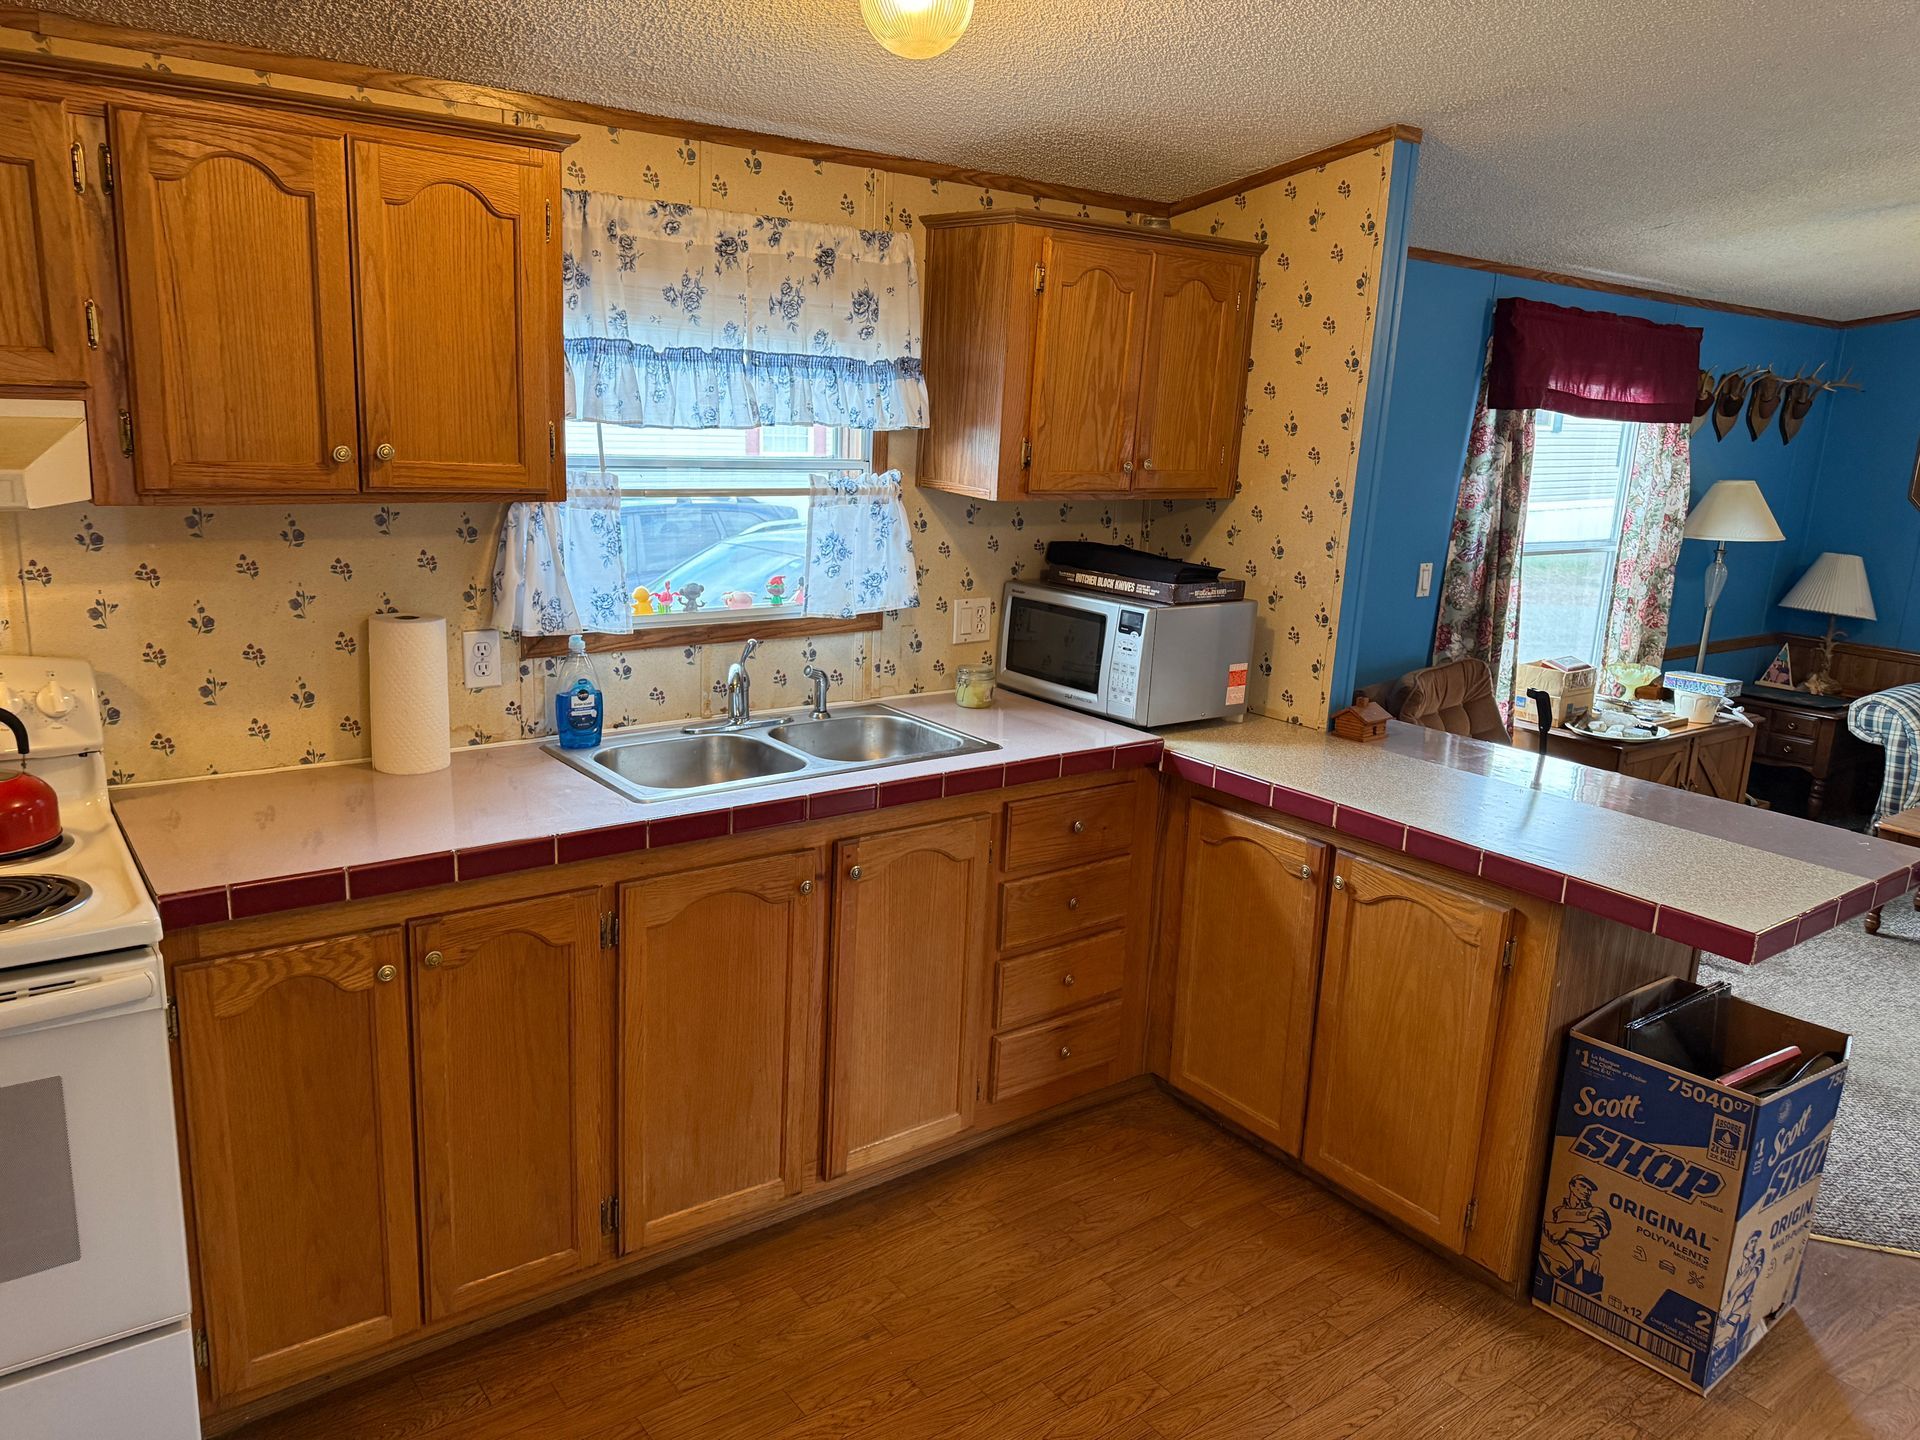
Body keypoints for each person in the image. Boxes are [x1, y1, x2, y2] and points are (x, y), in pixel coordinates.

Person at [1538, 1174, 1610, 1294]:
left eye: (1589, 1190)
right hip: (1557, 1256)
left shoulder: (1594, 1211)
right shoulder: (1558, 1210)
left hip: (1585, 1265)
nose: (1586, 1191)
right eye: (1582, 1186)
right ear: (1571, 1186)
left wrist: (1566, 1227)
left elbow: (1597, 1229)